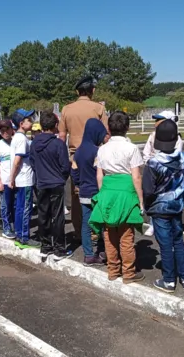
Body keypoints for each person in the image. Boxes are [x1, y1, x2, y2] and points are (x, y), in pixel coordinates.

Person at [88, 111, 145, 283]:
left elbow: (99, 175)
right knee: (126, 237)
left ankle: (113, 270)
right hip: (126, 192)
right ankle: (128, 273)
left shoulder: (102, 149)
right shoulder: (132, 148)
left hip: (107, 191)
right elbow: (136, 176)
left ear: (108, 128)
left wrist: (102, 194)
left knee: (109, 235)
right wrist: (140, 200)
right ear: (127, 127)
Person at [143, 119, 184, 292]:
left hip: (159, 207)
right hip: (177, 204)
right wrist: (183, 200)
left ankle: (169, 280)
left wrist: (147, 206)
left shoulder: (153, 162)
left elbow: (148, 190)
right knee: (178, 241)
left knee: (165, 244)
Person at [58, 76, 109, 244]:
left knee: (77, 195)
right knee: (97, 193)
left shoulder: (66, 109)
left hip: (75, 156)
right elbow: (106, 136)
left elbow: (62, 136)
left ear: (77, 91)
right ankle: (95, 232)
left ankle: (80, 231)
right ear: (92, 90)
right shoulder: (99, 108)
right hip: (96, 156)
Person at [29, 111, 71, 260]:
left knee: (43, 215)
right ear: (55, 125)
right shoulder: (58, 144)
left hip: (42, 183)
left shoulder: (34, 143)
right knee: (57, 216)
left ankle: (45, 246)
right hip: (56, 183)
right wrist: (62, 178)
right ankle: (59, 248)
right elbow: (65, 166)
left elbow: (32, 162)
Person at [71, 119, 110, 265]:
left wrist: (79, 184)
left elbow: (73, 171)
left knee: (86, 225)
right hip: (97, 193)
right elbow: (102, 172)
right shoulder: (97, 151)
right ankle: (105, 251)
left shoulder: (79, 151)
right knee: (103, 223)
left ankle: (88, 255)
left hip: (84, 193)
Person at [142, 110, 184, 237]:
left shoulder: (177, 138)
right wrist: (151, 162)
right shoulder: (152, 135)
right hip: (155, 168)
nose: (156, 123)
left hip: (169, 171)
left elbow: (177, 155)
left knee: (167, 194)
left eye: (159, 120)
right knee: (154, 194)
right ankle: (152, 223)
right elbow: (146, 152)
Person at [9, 109, 40, 248]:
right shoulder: (21, 139)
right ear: (21, 123)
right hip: (25, 179)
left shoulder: (18, 137)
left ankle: (19, 234)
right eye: (28, 119)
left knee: (20, 208)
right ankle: (24, 237)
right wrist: (12, 177)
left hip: (21, 178)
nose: (31, 121)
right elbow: (17, 161)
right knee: (26, 208)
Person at [0, 120, 17, 239]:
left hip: (17, 181)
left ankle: (16, 227)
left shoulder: (17, 142)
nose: (5, 132)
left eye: (7, 129)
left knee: (16, 205)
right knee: (5, 205)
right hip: (5, 181)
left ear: (12, 129)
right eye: (2, 130)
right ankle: (7, 228)